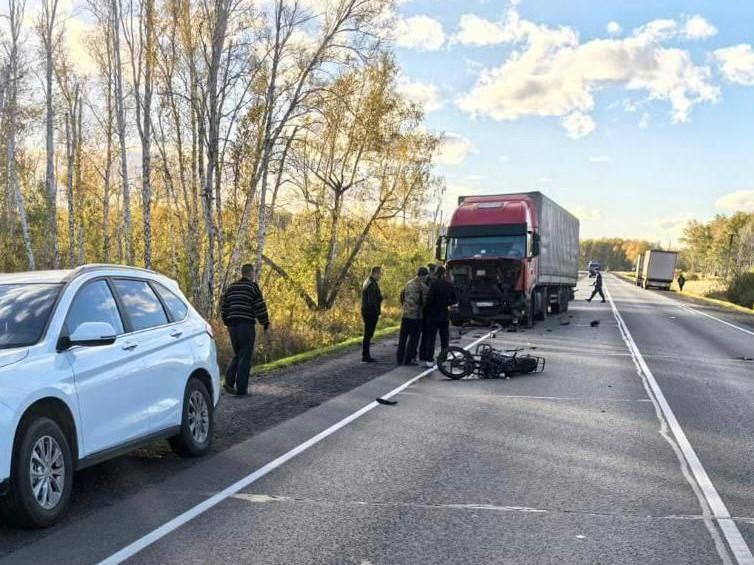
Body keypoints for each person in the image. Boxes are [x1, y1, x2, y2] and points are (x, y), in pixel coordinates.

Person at [220, 263, 270, 396]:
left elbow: (224, 307)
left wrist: (227, 321)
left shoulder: (231, 287)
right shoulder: (252, 287)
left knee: (239, 354)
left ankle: (229, 383)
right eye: (253, 273)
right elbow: (260, 306)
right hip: (245, 324)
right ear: (251, 273)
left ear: (242, 273)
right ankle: (241, 390)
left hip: (232, 326)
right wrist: (265, 323)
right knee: (245, 355)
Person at [420, 266, 457, 368]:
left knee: (431, 338)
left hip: (433, 315)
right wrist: (446, 303)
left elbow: (429, 299)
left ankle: (429, 360)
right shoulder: (449, 285)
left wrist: (426, 309)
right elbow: (455, 299)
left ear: (436, 273)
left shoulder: (434, 284)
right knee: (444, 338)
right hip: (444, 315)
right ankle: (443, 359)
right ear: (444, 273)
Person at [396, 267, 429, 366]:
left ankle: (399, 358)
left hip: (405, 315)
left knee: (403, 338)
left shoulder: (408, 283)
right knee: (413, 339)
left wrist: (405, 306)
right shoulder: (423, 287)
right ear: (424, 276)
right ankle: (408, 359)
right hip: (416, 316)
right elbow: (425, 302)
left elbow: (402, 296)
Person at [361, 266, 383, 363]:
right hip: (370, 312)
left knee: (368, 334)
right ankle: (366, 356)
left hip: (367, 311)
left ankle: (366, 355)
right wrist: (376, 312)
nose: (380, 276)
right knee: (368, 334)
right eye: (380, 274)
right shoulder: (371, 284)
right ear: (375, 273)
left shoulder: (369, 282)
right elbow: (371, 301)